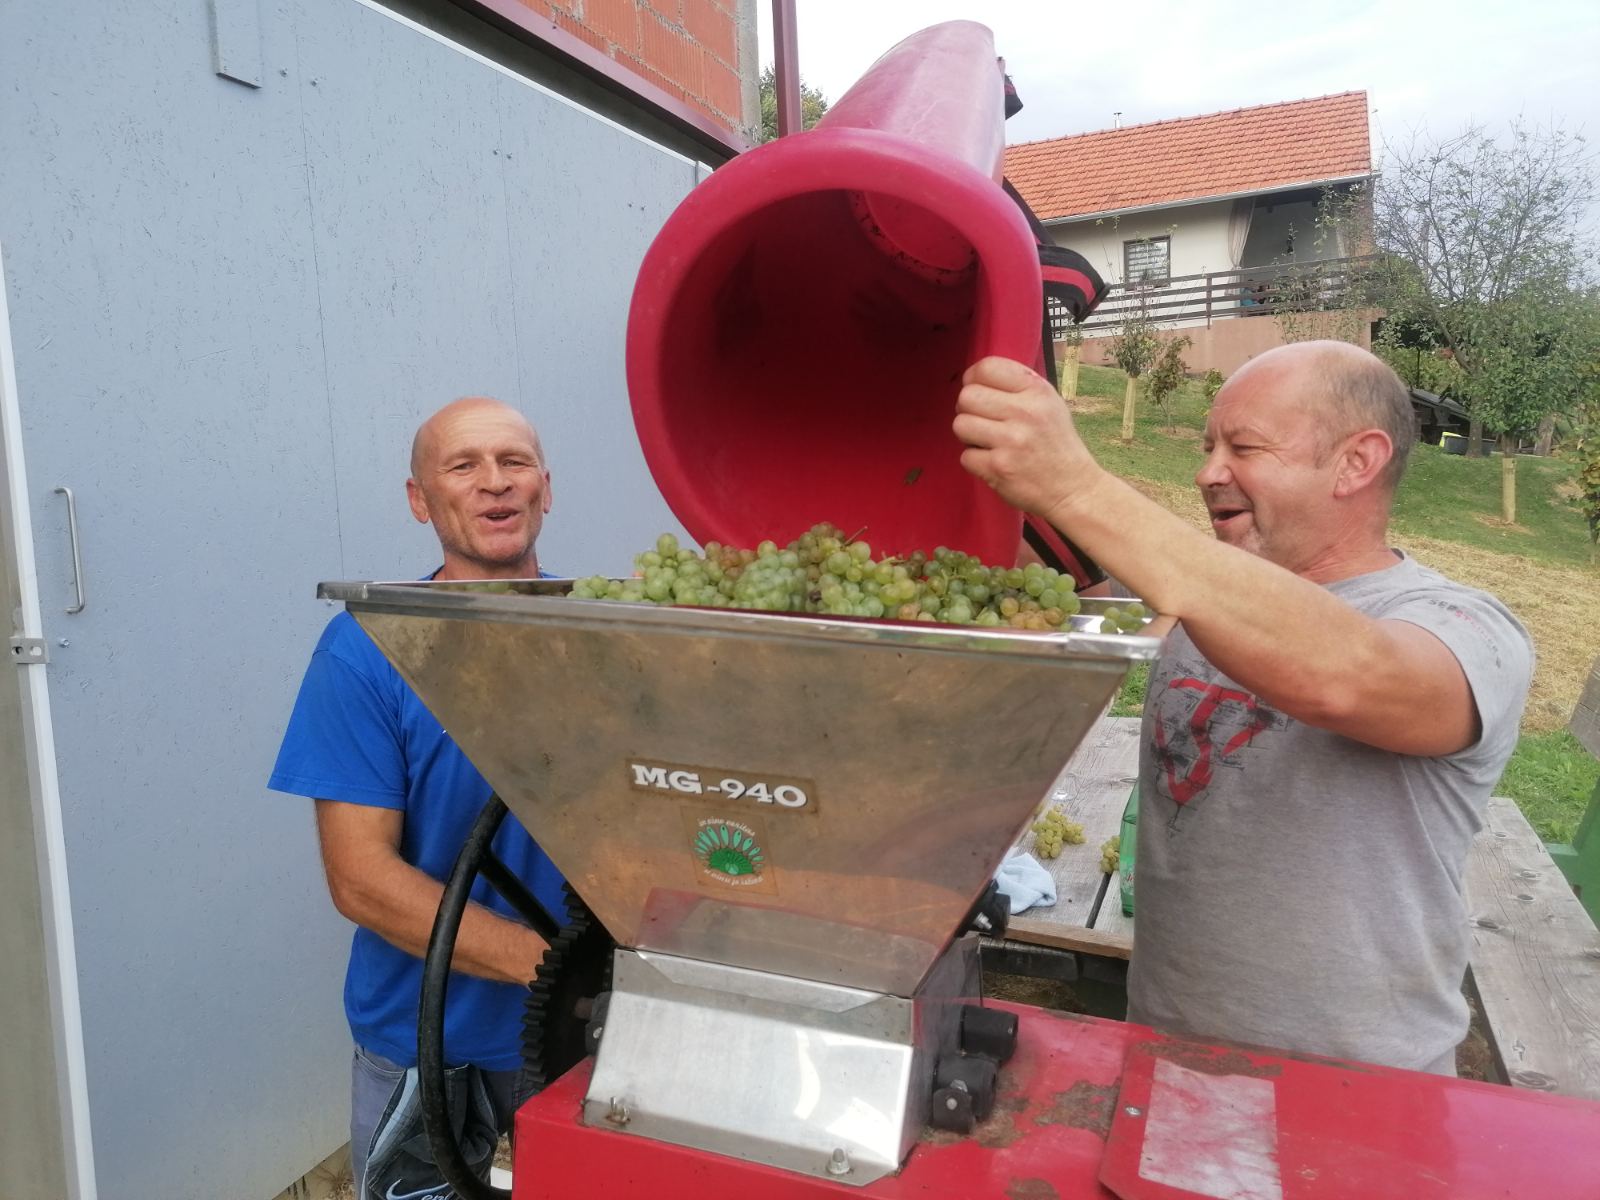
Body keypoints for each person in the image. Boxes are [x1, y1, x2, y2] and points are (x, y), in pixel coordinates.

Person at [953, 342, 1532, 1074]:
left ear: (1357, 462)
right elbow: (1062, 595)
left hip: (1362, 1083)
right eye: (1207, 446)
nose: (1206, 473)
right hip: (1168, 1052)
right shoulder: (1199, 597)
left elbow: (1346, 678)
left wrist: (1078, 488)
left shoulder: (1466, 627)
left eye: (1244, 447)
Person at [270, 397, 567, 1198]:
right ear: (420, 501)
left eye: (513, 462)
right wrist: (559, 969)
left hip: (587, 1047)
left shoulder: (608, 636)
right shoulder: (367, 649)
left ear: (547, 487)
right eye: (463, 466)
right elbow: (360, 877)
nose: (493, 484)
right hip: (428, 1048)